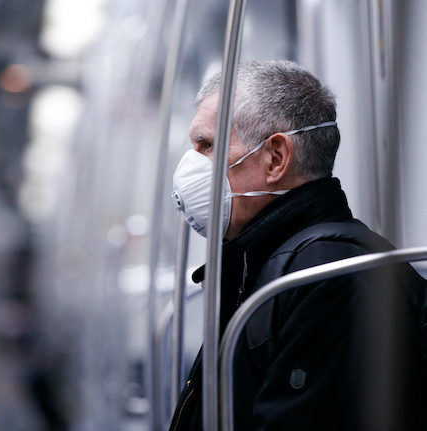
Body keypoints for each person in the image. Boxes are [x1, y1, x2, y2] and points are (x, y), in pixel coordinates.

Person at [168, 60, 427, 430]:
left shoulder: (330, 277)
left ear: (275, 158)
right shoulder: (264, 263)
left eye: (207, 145)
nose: (191, 165)